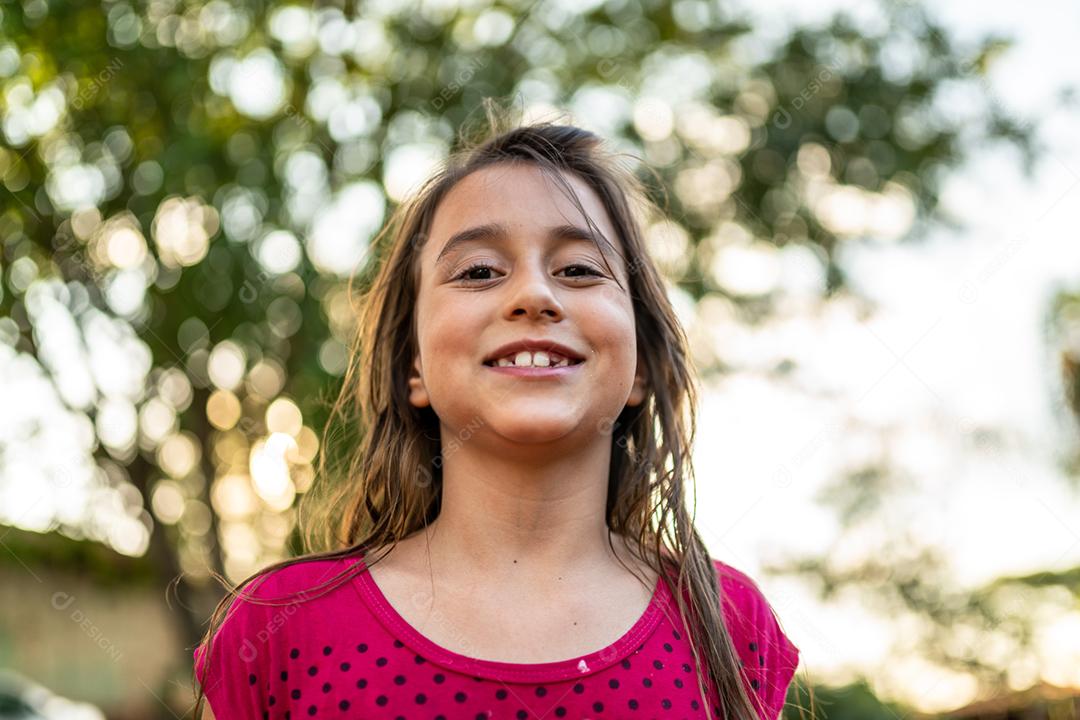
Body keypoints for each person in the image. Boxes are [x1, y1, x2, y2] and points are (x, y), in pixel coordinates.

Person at [192, 100, 804, 720]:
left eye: (579, 269)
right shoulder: (278, 632)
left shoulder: (729, 627)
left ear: (641, 364)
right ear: (414, 367)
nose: (534, 295)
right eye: (480, 270)